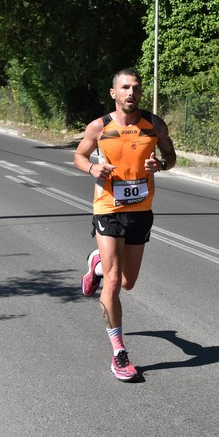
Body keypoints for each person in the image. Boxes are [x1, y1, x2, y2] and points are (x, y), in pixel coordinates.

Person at [74, 68, 176, 381]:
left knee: (128, 283)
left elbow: (171, 156)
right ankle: (119, 352)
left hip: (141, 211)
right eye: (125, 88)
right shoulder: (99, 126)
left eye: (136, 88)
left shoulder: (154, 124)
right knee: (115, 283)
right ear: (113, 93)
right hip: (108, 210)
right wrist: (92, 168)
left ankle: (97, 264)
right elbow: (79, 155)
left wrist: (160, 164)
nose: (131, 93)